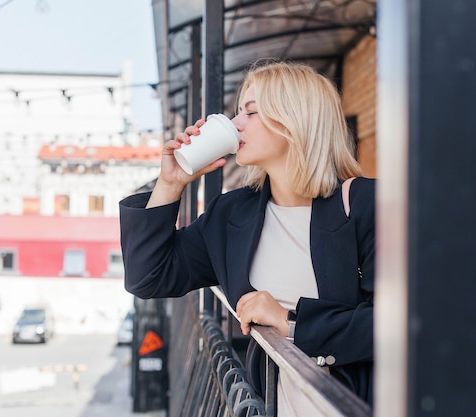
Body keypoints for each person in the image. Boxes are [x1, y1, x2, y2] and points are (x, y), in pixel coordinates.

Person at [119, 60, 375, 412]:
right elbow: (148, 277)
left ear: (294, 122)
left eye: (251, 112)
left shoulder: (364, 206)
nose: (235, 123)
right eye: (239, 111)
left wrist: (289, 323)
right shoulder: (232, 215)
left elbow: (399, 323)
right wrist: (171, 183)